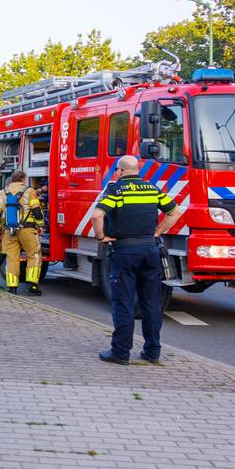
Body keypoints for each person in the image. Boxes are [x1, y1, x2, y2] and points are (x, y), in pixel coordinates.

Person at [90, 155, 183, 365]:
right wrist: (157, 233)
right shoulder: (151, 189)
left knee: (123, 302)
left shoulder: (116, 190)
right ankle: (152, 352)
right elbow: (175, 212)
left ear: (120, 171)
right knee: (151, 303)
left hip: (125, 251)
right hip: (150, 251)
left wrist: (101, 237)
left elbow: (97, 216)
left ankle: (120, 352)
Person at [0, 171, 44, 295]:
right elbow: (36, 211)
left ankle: (12, 287)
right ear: (23, 179)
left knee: (12, 258)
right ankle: (32, 286)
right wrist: (40, 225)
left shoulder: (2, 193)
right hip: (27, 230)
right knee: (34, 255)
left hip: (8, 231)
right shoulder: (29, 191)